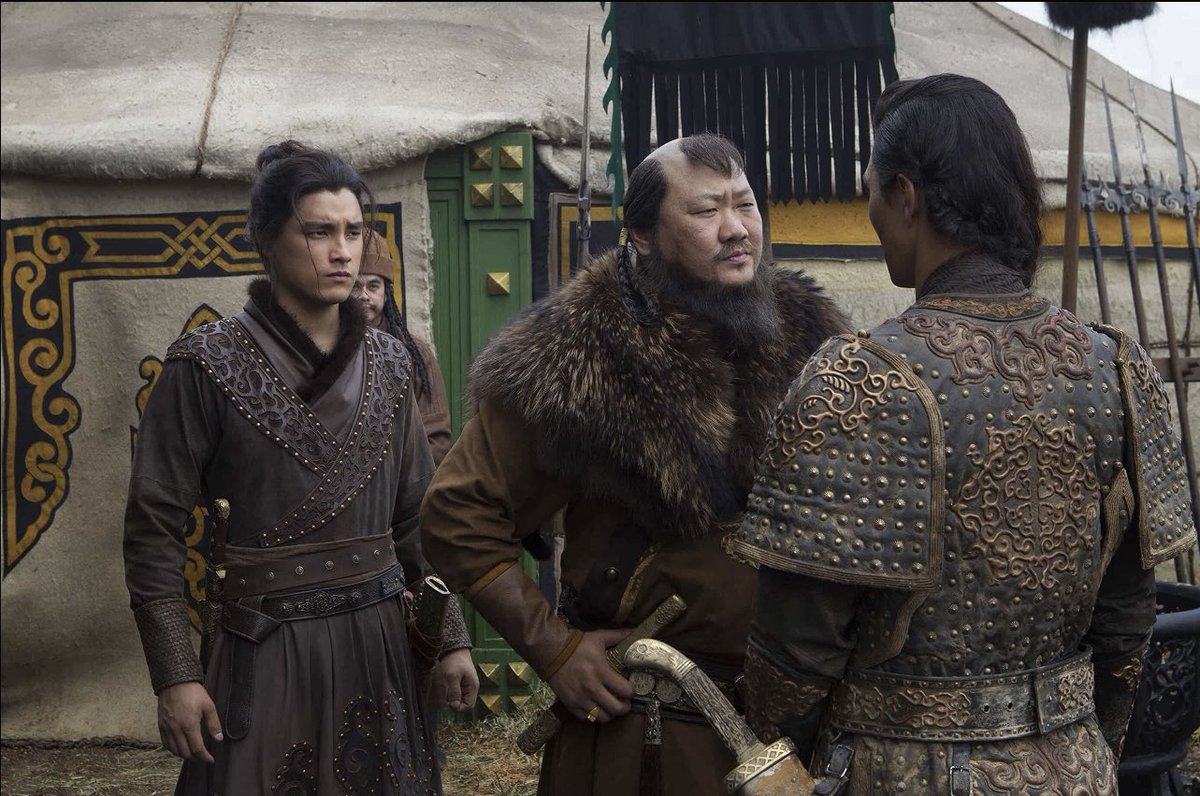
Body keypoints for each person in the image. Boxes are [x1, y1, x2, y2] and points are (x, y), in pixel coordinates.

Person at [732, 74, 1197, 795]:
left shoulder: (858, 378)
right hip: (1075, 768)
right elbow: (1126, 622)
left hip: (899, 771)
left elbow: (794, 655)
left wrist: (793, 763)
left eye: (871, 190)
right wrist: (1087, 747)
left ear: (906, 196)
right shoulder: (1116, 366)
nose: (870, 210)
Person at [419, 132, 850, 795]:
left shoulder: (810, 329)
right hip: (649, 729)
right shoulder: (573, 353)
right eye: (705, 211)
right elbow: (457, 512)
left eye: (745, 204)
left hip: (792, 722)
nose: (736, 228)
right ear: (644, 235)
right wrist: (553, 648)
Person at [123, 140, 478, 795]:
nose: (343, 251)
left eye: (354, 232)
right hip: (263, 645)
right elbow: (152, 531)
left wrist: (450, 636)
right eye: (318, 232)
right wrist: (175, 675)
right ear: (266, 239)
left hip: (378, 644)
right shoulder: (201, 365)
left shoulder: (391, 363)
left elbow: (414, 518)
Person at [352, 234, 453, 466]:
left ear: (386, 292)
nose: (364, 295)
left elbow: (436, 441)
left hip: (399, 478)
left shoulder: (415, 354)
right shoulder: (322, 347)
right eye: (355, 286)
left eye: (373, 286)